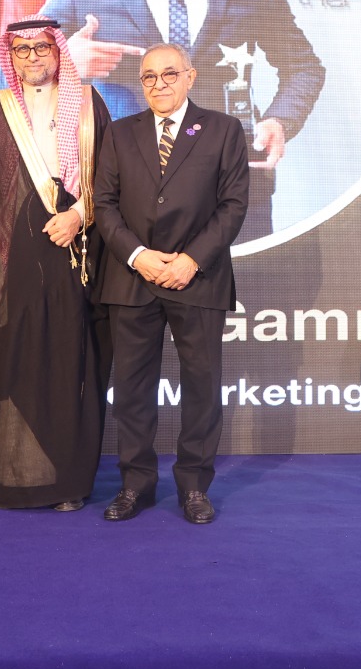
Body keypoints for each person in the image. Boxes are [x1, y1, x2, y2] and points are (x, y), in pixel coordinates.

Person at [31, 0, 323, 242]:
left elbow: (304, 67)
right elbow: (0, 70)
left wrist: (279, 121)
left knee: (240, 276)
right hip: (124, 182)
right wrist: (62, 64)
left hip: (230, 174)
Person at [0, 16, 111, 510]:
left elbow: (111, 179)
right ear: (11, 58)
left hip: (73, 249)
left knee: (65, 357)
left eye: (41, 48)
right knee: (10, 354)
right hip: (9, 256)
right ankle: (3, 476)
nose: (32, 57)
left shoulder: (90, 104)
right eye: (21, 51)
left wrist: (79, 217)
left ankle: (64, 482)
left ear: (58, 51)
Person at [93, 43, 249, 524]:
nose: (158, 84)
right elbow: (104, 204)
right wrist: (137, 256)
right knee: (132, 391)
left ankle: (194, 486)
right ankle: (135, 485)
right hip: (132, 278)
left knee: (201, 387)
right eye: (149, 77)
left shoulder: (223, 129)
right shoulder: (120, 132)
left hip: (197, 279)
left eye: (169, 74)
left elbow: (233, 205)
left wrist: (191, 260)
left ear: (190, 77)